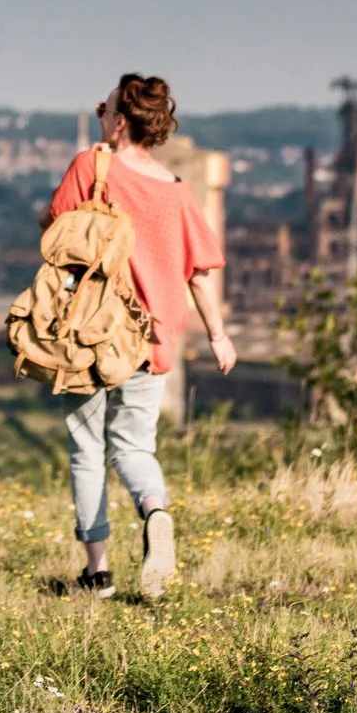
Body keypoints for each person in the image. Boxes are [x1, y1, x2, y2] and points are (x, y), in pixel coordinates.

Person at [45, 72, 234, 598]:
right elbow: (200, 273)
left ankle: (98, 572)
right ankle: (154, 511)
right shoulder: (177, 191)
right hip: (153, 336)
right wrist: (218, 336)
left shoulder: (91, 166)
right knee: (133, 447)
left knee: (87, 449)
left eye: (104, 109)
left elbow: (55, 230)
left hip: (91, 331)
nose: (100, 115)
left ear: (120, 121)